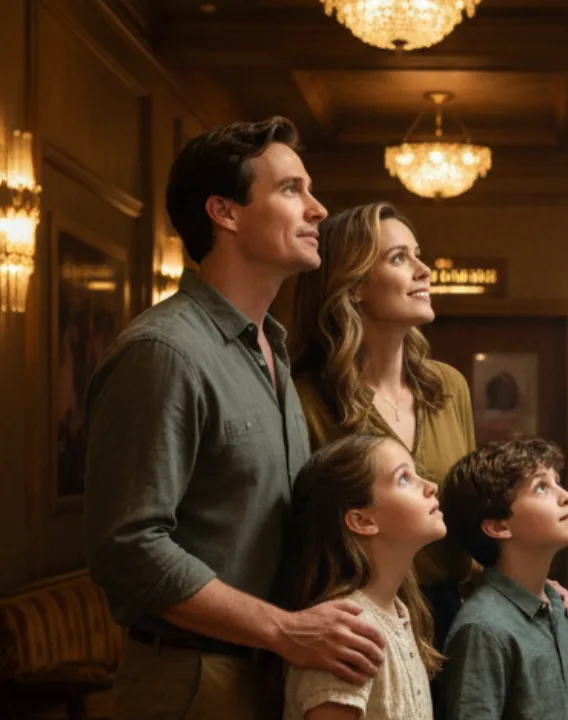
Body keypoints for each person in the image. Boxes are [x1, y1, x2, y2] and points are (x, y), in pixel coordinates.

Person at [85, 117, 386, 720]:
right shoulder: (165, 351)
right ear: (224, 212)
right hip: (191, 680)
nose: (318, 209)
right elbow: (130, 549)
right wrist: (283, 629)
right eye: (290, 190)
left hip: (267, 668)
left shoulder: (272, 351)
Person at [289, 202, 568, 662]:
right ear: (355, 284)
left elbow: (472, 515)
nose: (425, 270)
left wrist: (526, 583)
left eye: (417, 254)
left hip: (452, 612)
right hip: (359, 622)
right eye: (400, 258)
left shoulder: (447, 387)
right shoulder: (305, 400)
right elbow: (295, 536)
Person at [284, 434, 446, 720]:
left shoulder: (401, 613)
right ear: (362, 520)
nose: (431, 487)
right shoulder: (345, 630)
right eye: (404, 479)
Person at [438, 439, 568, 720]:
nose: (566, 495)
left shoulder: (561, 607)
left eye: (557, 481)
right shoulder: (483, 629)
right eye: (542, 487)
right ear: (498, 526)